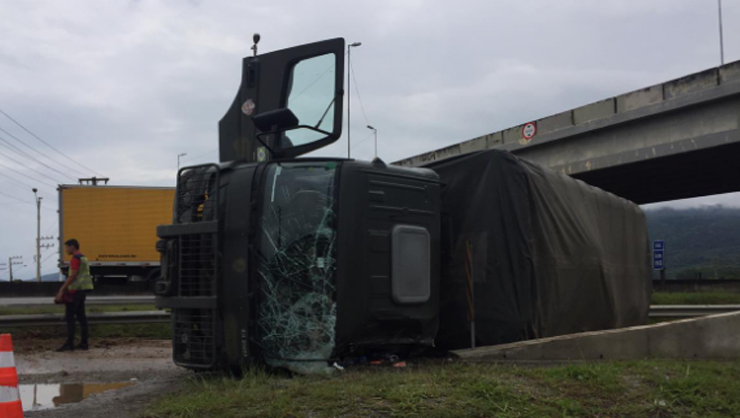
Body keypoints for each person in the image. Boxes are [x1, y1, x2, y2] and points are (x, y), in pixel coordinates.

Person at [55, 238, 94, 352]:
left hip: (75, 291)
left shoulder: (75, 259)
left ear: (72, 246)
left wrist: (61, 290)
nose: (66, 250)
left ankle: (70, 343)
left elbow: (73, 276)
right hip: (82, 291)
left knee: (70, 318)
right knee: (82, 317)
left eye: (67, 247)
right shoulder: (84, 258)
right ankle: (84, 343)